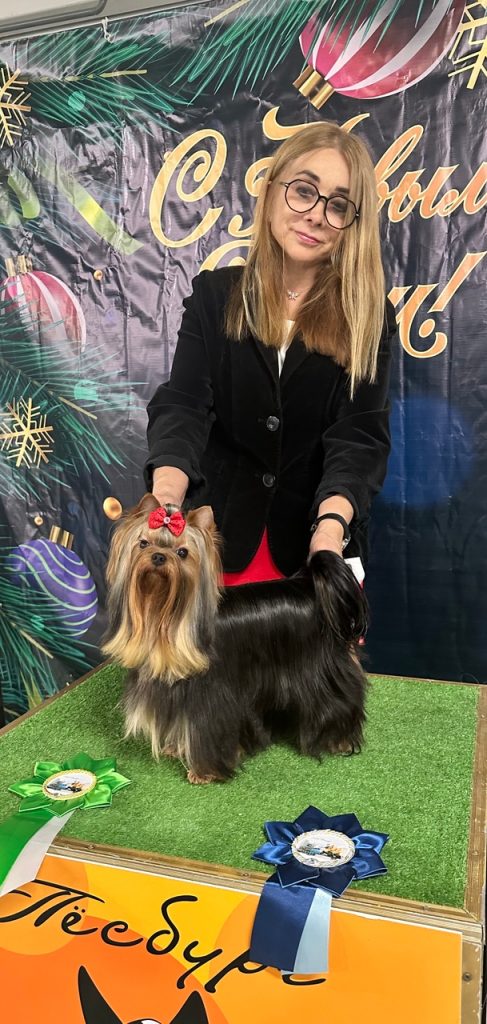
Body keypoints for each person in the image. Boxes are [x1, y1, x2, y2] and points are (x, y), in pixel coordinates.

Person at [143, 122, 396, 584]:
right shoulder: (214, 296)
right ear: (272, 190)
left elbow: (358, 438)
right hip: (216, 548)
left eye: (339, 205)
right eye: (304, 191)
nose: (316, 215)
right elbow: (185, 406)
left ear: (353, 225)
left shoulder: (370, 316)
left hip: (313, 550)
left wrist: (330, 531)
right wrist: (167, 498)